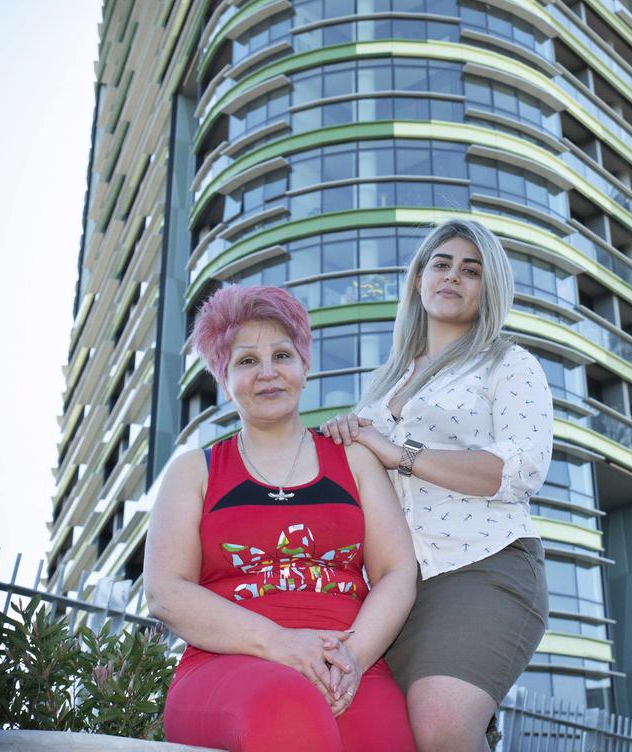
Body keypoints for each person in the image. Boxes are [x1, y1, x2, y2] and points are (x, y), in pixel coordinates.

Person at [145, 285, 417, 752]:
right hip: (226, 664)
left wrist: (353, 654)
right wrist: (281, 643)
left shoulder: (354, 459)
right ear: (224, 378)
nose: (268, 373)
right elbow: (165, 591)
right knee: (288, 711)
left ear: (305, 366)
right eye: (247, 361)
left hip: (350, 665)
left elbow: (397, 571)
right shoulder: (194, 470)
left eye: (282, 355)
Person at [320, 218, 553, 752]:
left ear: (487, 288)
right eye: (441, 264)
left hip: (482, 566)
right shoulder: (382, 386)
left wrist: (399, 454)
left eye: (471, 270)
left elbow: (518, 470)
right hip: (390, 591)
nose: (453, 276)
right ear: (419, 279)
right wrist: (343, 442)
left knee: (441, 723)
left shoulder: (507, 364)